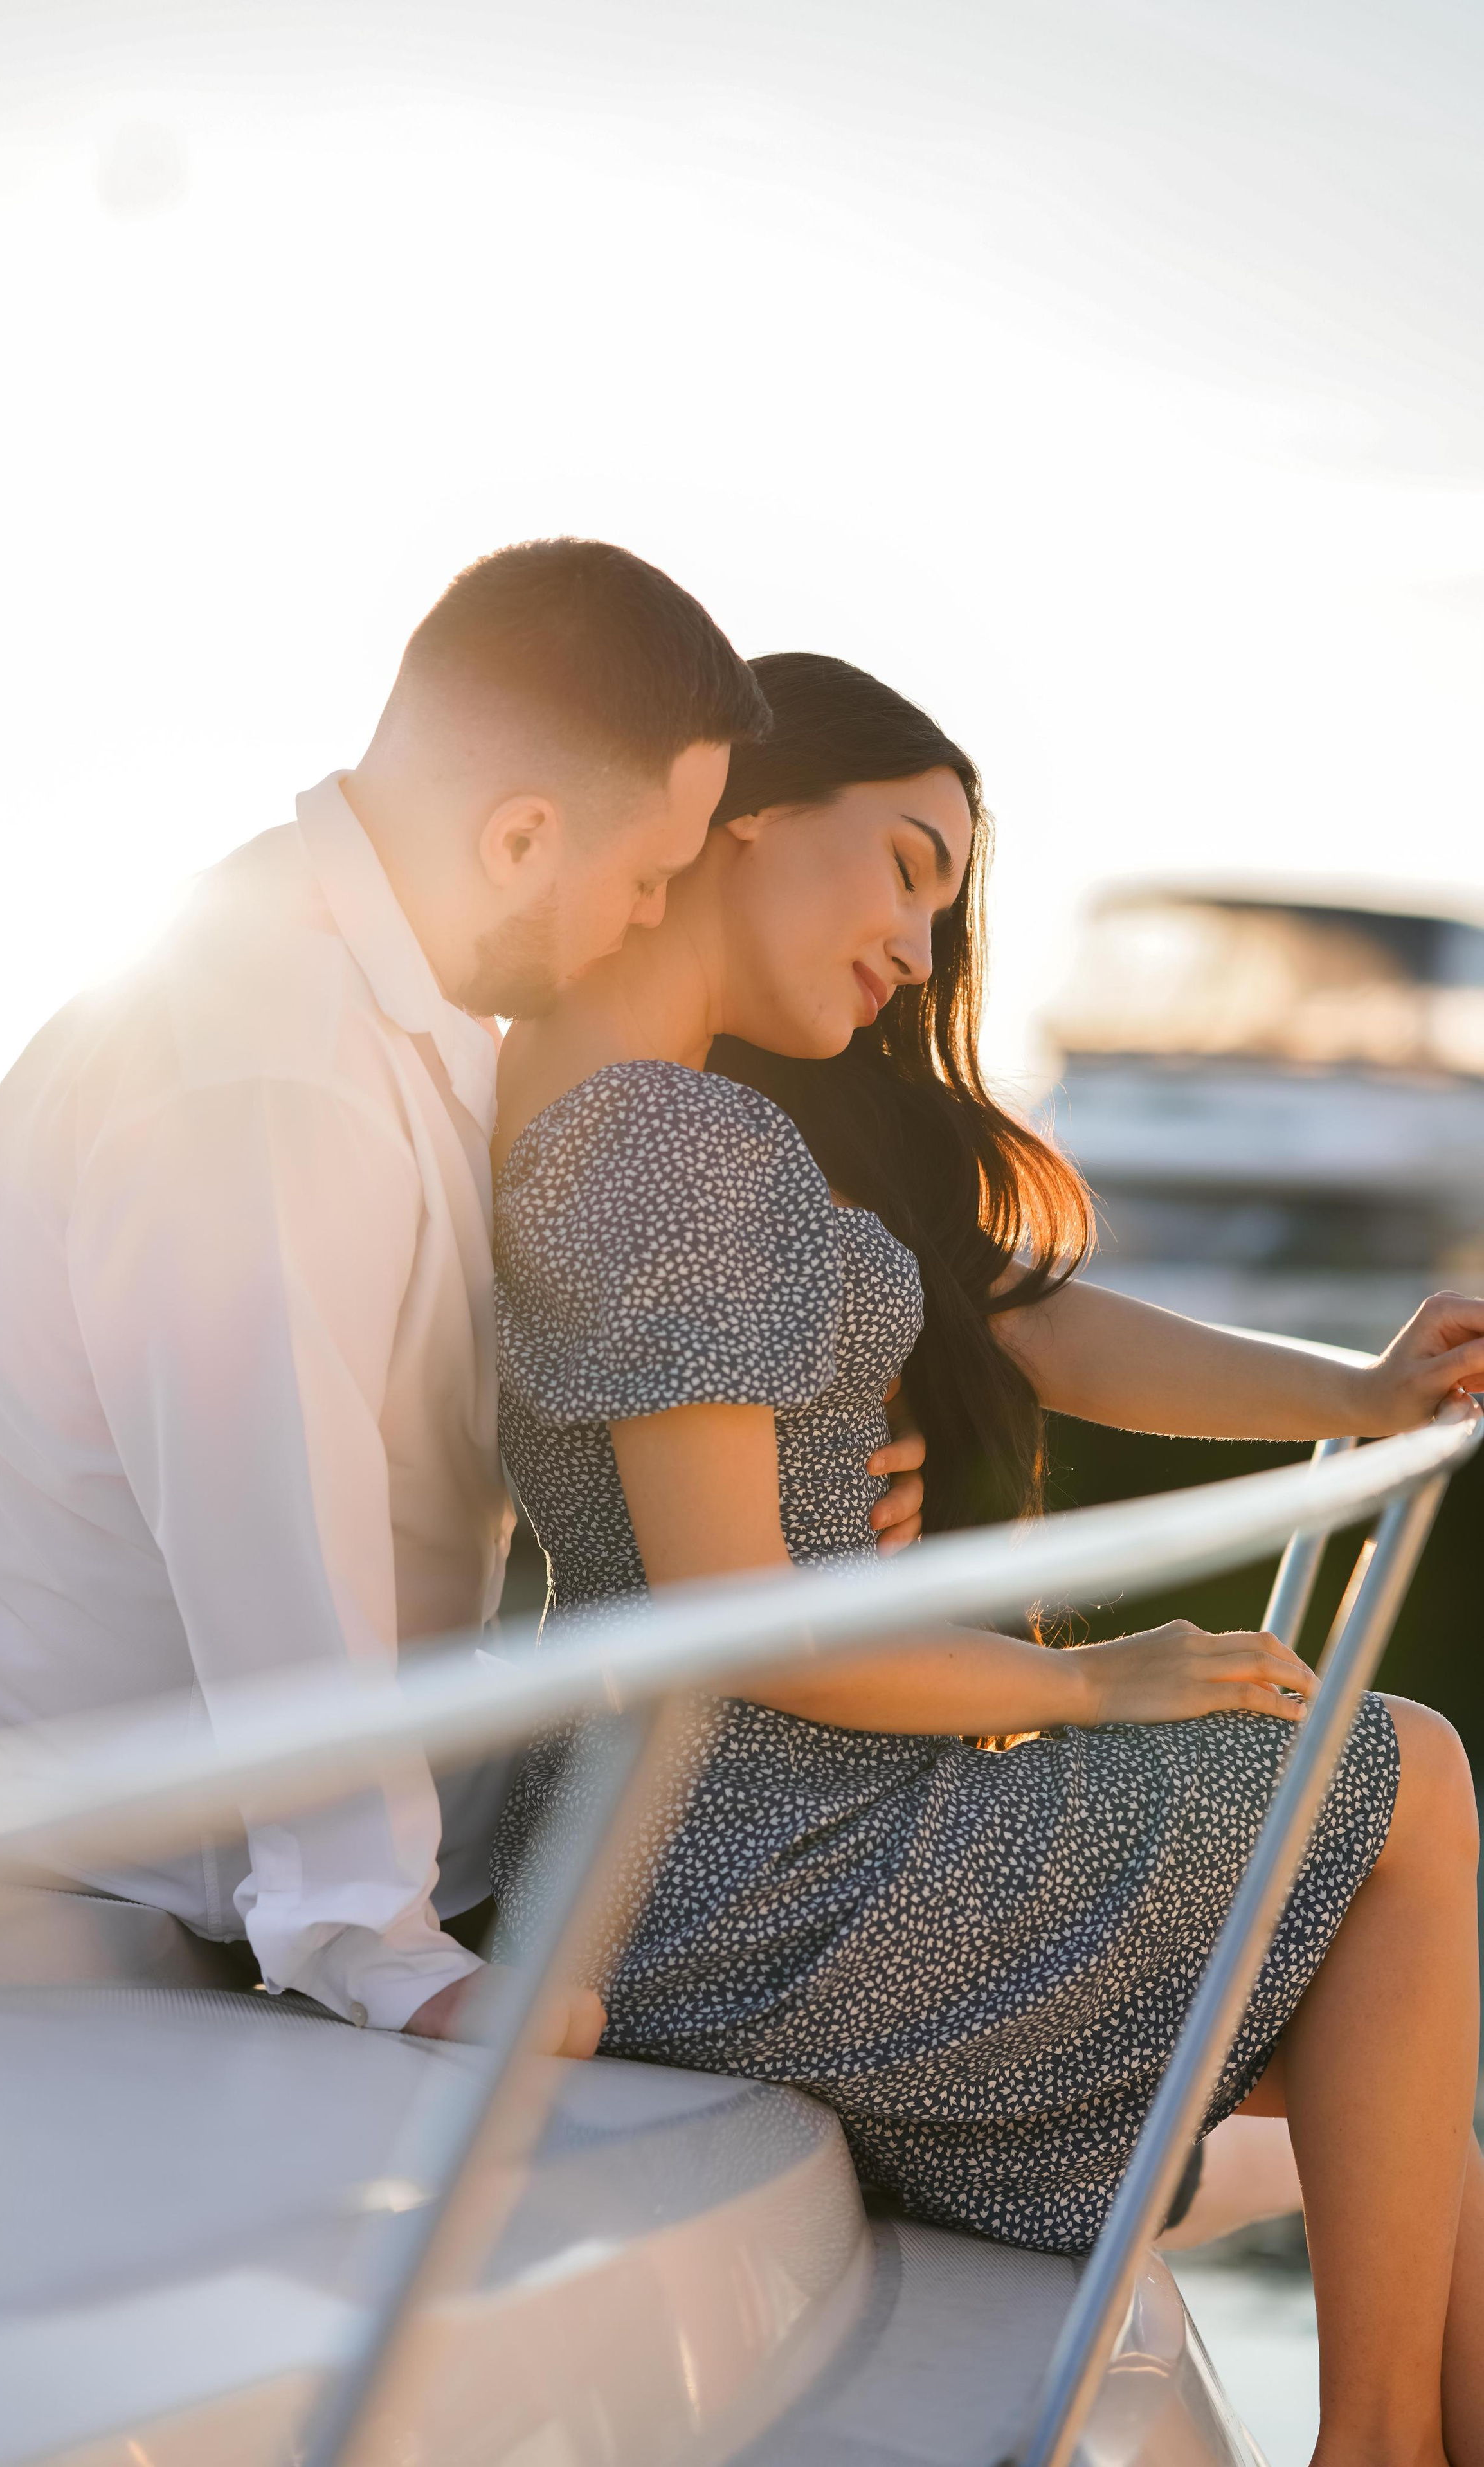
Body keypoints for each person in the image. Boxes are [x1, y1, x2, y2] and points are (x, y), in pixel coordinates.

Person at [491, 652, 1484, 2461]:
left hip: (734, 1856)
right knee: (1404, 1772)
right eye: (905, 866)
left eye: (943, 905)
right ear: (740, 811)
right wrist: (1088, 1677)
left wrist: (1360, 1396)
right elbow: (736, 1616)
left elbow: (1016, 1320)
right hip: (756, 1876)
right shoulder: (669, 1135)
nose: (918, 944)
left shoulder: (679, 1111)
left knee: (1406, 2093)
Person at [0, 545, 930, 2056]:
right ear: (521, 837)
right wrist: (373, 1941)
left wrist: (794, 1468)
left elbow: (439, 1395)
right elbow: (269, 1499)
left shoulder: (397, 999)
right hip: (110, 1821)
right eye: (646, 876)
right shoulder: (270, 1060)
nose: (651, 917)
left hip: (249, 1782)